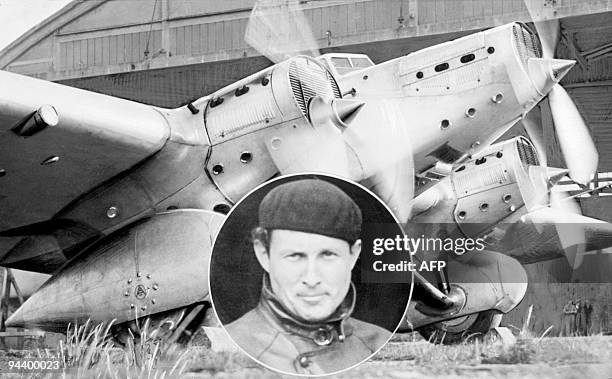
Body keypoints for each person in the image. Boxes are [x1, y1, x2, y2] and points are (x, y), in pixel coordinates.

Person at [224, 179, 391, 375]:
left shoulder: (381, 342)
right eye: (294, 256)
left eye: (328, 255)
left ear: (353, 255)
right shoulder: (226, 346)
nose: (311, 279)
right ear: (263, 254)